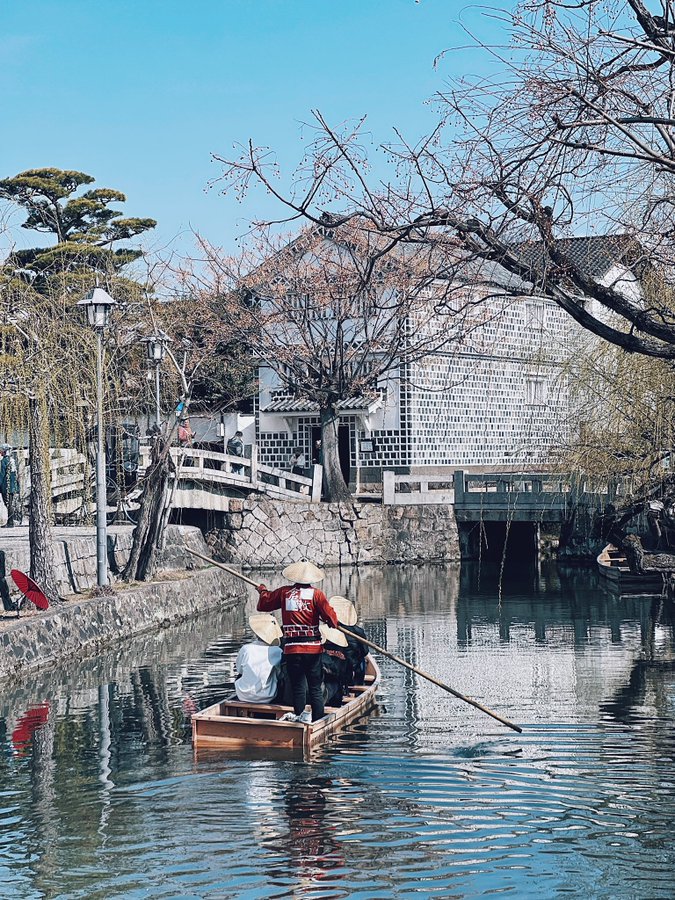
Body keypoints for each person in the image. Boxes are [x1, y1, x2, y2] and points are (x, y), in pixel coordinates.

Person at [257, 559, 339, 724]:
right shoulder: (317, 594)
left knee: (298, 687)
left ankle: (300, 719)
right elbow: (332, 619)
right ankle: (317, 722)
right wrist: (329, 621)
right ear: (310, 579)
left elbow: (264, 604)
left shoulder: (284, 593)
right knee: (315, 688)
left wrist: (262, 591)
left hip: (292, 649)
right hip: (313, 650)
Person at [234, 614, 283, 704]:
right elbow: (280, 674)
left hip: (243, 695)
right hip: (268, 696)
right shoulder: (278, 651)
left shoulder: (246, 649)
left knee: (241, 675)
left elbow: (239, 670)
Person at [329, 596, 368, 685]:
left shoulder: (327, 630)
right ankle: (358, 683)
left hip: (334, 665)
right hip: (349, 666)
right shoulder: (358, 631)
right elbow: (365, 652)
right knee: (362, 659)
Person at [319, 622, 351, 708]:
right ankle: (336, 706)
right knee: (337, 682)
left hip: (314, 691)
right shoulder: (341, 655)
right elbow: (345, 676)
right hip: (319, 694)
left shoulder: (318, 652)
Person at [0, 444, 21, 528]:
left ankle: (10, 522)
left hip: (6, 486)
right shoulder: (12, 460)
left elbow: (1, 475)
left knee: (8, 503)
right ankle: (10, 521)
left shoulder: (4, 461)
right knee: (10, 503)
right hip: (12, 486)